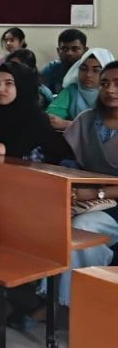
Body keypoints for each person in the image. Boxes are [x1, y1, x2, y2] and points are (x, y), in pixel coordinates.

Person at [50, 61, 118, 313]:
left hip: (112, 206)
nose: (110, 89)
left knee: (82, 229)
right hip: (86, 196)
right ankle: (65, 297)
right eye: (105, 83)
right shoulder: (88, 120)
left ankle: (70, 303)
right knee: (49, 221)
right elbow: (71, 163)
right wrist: (71, 188)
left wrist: (97, 193)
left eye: (117, 84)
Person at [47, 48, 115, 130]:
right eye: (83, 69)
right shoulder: (72, 90)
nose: (88, 75)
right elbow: (52, 118)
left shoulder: (113, 94)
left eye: (96, 70)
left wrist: (69, 125)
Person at [0, 48, 52, 113]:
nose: (11, 70)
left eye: (17, 67)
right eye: (9, 65)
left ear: (31, 70)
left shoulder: (40, 94)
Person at [41, 28, 88, 95]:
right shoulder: (50, 70)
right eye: (64, 49)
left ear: (85, 51)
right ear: (58, 51)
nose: (69, 53)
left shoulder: (92, 72)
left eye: (75, 49)